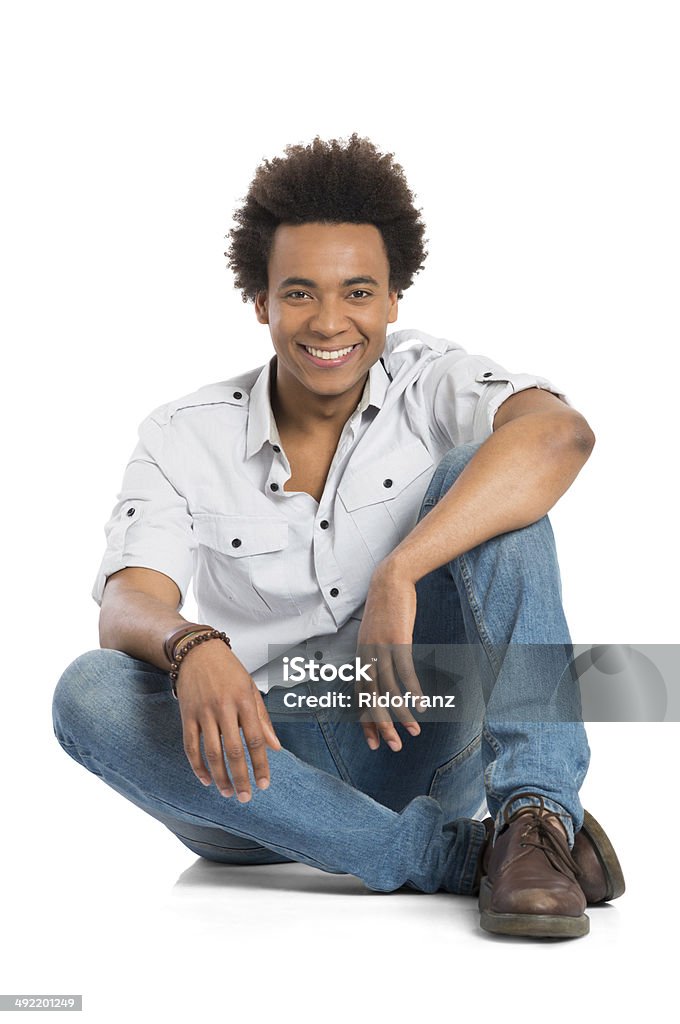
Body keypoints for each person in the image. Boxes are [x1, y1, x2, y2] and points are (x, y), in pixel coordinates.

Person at [52, 134, 624, 939]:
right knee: (88, 692)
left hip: (417, 732)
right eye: (299, 294)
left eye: (358, 292)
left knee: (495, 480)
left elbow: (559, 436)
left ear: (394, 299)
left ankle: (535, 818)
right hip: (249, 768)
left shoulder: (433, 382)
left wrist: (402, 571)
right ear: (260, 300)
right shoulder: (183, 434)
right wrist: (192, 646)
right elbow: (126, 604)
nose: (329, 322)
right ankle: (464, 859)